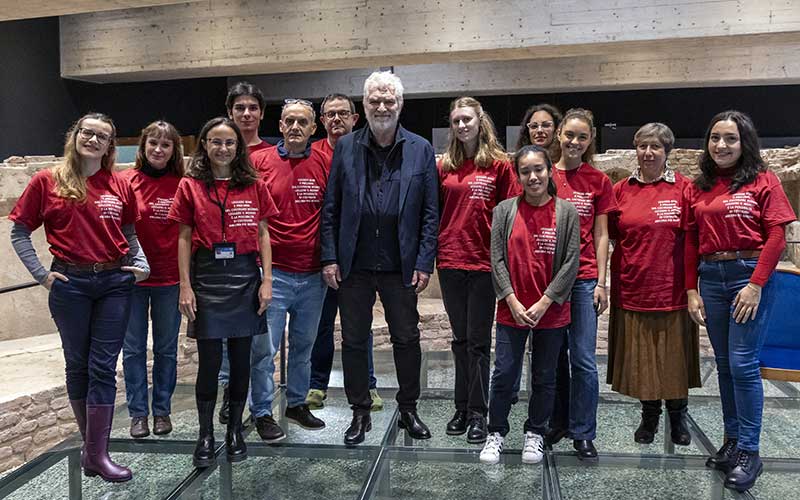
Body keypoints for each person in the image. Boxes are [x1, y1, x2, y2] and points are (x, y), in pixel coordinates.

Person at [10, 113, 149, 482]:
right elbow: (19, 233)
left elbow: (130, 232)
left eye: (101, 136)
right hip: (69, 283)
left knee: (103, 366)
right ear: (75, 136)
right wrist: (42, 274)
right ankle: (93, 453)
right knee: (78, 365)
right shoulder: (47, 180)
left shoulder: (118, 184)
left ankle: (97, 454)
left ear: (109, 146)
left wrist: (141, 263)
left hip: (113, 282)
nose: (93, 139)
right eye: (87, 132)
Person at [320, 71, 439, 445]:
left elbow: (430, 213)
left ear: (400, 105)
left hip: (400, 265)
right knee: (354, 340)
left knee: (407, 338)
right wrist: (329, 258)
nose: (382, 107)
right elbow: (331, 208)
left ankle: (408, 408)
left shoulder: (420, 149)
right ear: (364, 107)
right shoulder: (346, 147)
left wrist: (423, 261)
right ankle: (359, 412)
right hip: (353, 264)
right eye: (375, 101)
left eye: (389, 100)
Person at [685, 110, 796, 492]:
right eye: (715, 137)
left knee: (743, 364)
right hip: (711, 278)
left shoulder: (763, 180)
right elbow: (689, 242)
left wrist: (756, 284)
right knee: (725, 365)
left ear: (744, 142)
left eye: (730, 138)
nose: (721, 145)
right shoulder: (698, 186)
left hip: (748, 275)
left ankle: (750, 449)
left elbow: (777, 235)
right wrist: (691, 289)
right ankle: (732, 441)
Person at [169, 117, 277, 467]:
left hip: (246, 276)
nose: (223, 148)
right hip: (208, 278)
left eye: (230, 142)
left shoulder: (254, 184)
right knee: (210, 363)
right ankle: (205, 434)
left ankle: (233, 431)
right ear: (204, 145)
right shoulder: (190, 185)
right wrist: (185, 286)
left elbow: (263, 234)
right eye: (216, 141)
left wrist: (267, 280)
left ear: (238, 147)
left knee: (242, 360)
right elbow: (184, 238)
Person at [479, 145, 580, 465]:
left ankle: (535, 432)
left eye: (539, 169)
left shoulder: (567, 212)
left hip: (550, 312)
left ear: (550, 171)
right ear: (518, 176)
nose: (533, 176)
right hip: (512, 309)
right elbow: (496, 259)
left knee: (545, 376)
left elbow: (571, 261)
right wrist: (510, 297)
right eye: (526, 171)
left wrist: (545, 301)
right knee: (504, 374)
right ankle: (495, 432)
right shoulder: (504, 211)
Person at [606, 123, 701, 446]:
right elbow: (611, 236)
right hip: (632, 287)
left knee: (674, 358)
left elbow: (692, 241)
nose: (648, 153)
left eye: (655, 147)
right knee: (643, 359)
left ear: (667, 152)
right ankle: (649, 417)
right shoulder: (621, 190)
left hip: (672, 289)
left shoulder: (685, 189)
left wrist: (692, 289)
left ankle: (678, 418)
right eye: (643, 146)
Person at [248, 99, 331, 441]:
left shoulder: (326, 162)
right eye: (289, 121)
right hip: (273, 273)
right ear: (280, 125)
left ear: (314, 128)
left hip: (313, 275)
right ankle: (262, 412)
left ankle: (297, 402)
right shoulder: (258, 161)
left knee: (303, 345)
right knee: (263, 350)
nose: (295, 127)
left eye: (303, 122)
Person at [438, 96, 519, 444]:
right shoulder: (445, 166)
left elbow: (512, 216)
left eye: (467, 119)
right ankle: (460, 406)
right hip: (450, 261)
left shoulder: (500, 166)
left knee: (478, 343)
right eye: (456, 121)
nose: (462, 126)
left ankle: (477, 413)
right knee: (459, 340)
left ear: (479, 120)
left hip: (484, 263)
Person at [306, 93, 384, 411]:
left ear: (355, 119)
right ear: (321, 121)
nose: (336, 119)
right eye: (330, 114)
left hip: (358, 256)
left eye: (343, 113)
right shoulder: (310, 155)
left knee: (358, 325)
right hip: (320, 255)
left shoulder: (367, 152)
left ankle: (368, 385)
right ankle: (316, 385)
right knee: (321, 325)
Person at [547, 108, 617, 460]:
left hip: (585, 279)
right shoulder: (543, 175)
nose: (574, 142)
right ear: (559, 134)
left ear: (590, 141)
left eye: (582, 137)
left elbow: (602, 233)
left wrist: (602, 282)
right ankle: (555, 422)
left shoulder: (598, 181)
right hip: (548, 282)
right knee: (552, 357)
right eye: (569, 134)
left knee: (584, 359)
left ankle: (583, 431)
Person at [121, 121, 185, 438]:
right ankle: (137, 413)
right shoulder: (125, 181)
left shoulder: (183, 184)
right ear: (143, 146)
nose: (158, 150)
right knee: (132, 350)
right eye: (153, 143)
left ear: (174, 150)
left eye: (166, 144)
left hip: (169, 279)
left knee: (166, 349)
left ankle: (162, 410)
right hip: (132, 281)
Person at [218, 81, 271, 424]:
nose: (246, 113)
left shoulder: (272, 155)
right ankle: (229, 396)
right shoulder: (216, 156)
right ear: (229, 112)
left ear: (262, 114)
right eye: (240, 108)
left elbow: (266, 222)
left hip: (255, 262)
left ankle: (262, 408)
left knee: (260, 343)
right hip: (220, 266)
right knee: (224, 340)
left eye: (252, 107)